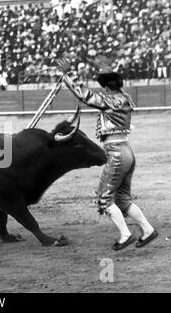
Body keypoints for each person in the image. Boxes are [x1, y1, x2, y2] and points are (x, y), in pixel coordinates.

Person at [57, 58, 158, 250]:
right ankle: (148, 230)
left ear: (107, 88)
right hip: (127, 150)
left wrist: (68, 74)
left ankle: (125, 234)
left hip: (117, 153)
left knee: (103, 198)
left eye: (103, 87)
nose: (102, 90)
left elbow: (85, 96)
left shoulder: (111, 100)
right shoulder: (124, 98)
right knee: (122, 198)